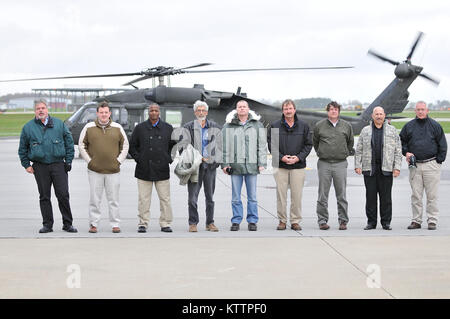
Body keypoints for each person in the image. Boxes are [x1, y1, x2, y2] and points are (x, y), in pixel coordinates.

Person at [18, 99, 77, 233]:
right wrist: (26, 165)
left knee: (63, 195)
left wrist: (68, 161)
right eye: (38, 108)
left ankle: (67, 224)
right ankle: (47, 225)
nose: (41, 110)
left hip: (58, 165)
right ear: (35, 111)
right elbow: (22, 149)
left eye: (43, 108)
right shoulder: (28, 128)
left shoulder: (59, 124)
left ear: (47, 109)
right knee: (44, 196)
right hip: (40, 166)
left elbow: (69, 143)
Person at [78, 101, 129, 233]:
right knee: (95, 199)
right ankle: (94, 224)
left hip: (113, 171)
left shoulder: (117, 128)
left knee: (113, 200)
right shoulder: (88, 128)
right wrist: (90, 161)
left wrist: (118, 161)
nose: (104, 115)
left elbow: (125, 146)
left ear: (109, 113)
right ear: (97, 113)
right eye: (101, 112)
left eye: (106, 112)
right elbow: (81, 145)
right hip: (95, 170)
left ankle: (115, 224)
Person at [399, 101, 447, 230]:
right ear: (415, 111)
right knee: (416, 195)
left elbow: (442, 144)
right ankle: (416, 220)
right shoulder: (408, 126)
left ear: (427, 111)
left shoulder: (435, 126)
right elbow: (401, 142)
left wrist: (439, 161)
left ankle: (432, 220)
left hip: (432, 165)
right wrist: (406, 152)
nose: (420, 111)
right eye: (418, 109)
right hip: (415, 166)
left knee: (432, 196)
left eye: (423, 109)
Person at [129, 103, 176, 233]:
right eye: (151, 111)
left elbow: (173, 146)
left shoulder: (168, 128)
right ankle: (143, 223)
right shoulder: (140, 128)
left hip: (162, 168)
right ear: (148, 112)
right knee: (144, 199)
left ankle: (165, 223)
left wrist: (169, 159)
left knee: (165, 199)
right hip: (144, 169)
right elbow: (132, 146)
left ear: (159, 112)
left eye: (156, 110)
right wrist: (139, 159)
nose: (153, 113)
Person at [222, 100, 267, 231]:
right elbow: (225, 147)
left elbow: (262, 145)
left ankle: (252, 221)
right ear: (236, 110)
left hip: (252, 166)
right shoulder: (229, 126)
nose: (242, 109)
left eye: (244, 107)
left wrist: (261, 162)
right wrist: (225, 164)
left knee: (252, 196)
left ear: (248, 109)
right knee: (236, 196)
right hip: (235, 167)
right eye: (239, 107)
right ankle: (236, 220)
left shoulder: (257, 125)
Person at [355, 106, 402, 230]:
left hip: (386, 169)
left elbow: (398, 150)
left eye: (381, 114)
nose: (379, 116)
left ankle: (386, 222)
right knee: (370, 197)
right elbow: (359, 149)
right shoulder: (365, 131)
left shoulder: (392, 130)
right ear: (372, 116)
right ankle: (371, 222)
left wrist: (397, 167)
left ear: (384, 115)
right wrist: (357, 165)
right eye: (376, 114)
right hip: (369, 169)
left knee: (386, 198)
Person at [267, 99, 312, 231]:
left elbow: (308, 145)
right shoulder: (275, 125)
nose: (288, 111)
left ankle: (295, 221)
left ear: (294, 110)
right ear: (283, 111)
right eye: (286, 109)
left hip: (298, 166)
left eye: (290, 108)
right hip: (280, 166)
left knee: (296, 195)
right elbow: (272, 146)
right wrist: (282, 158)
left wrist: (298, 158)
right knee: (281, 196)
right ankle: (282, 220)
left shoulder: (304, 126)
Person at [178, 100, 222, 232]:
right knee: (192, 198)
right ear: (195, 112)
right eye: (198, 110)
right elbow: (182, 147)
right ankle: (193, 223)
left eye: (203, 110)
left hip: (210, 167)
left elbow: (221, 147)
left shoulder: (215, 126)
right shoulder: (187, 127)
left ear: (207, 112)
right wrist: (197, 158)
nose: (201, 112)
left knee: (210, 197)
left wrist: (214, 161)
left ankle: (210, 223)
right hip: (194, 168)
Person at [313, 101, 354, 230]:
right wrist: (321, 152)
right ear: (327, 111)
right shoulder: (319, 126)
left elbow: (350, 142)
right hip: (324, 163)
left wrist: (343, 153)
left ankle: (343, 221)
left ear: (339, 111)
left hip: (340, 163)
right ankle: (322, 220)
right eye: (331, 109)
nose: (333, 111)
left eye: (336, 109)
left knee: (341, 194)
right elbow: (315, 142)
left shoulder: (346, 126)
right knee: (322, 194)